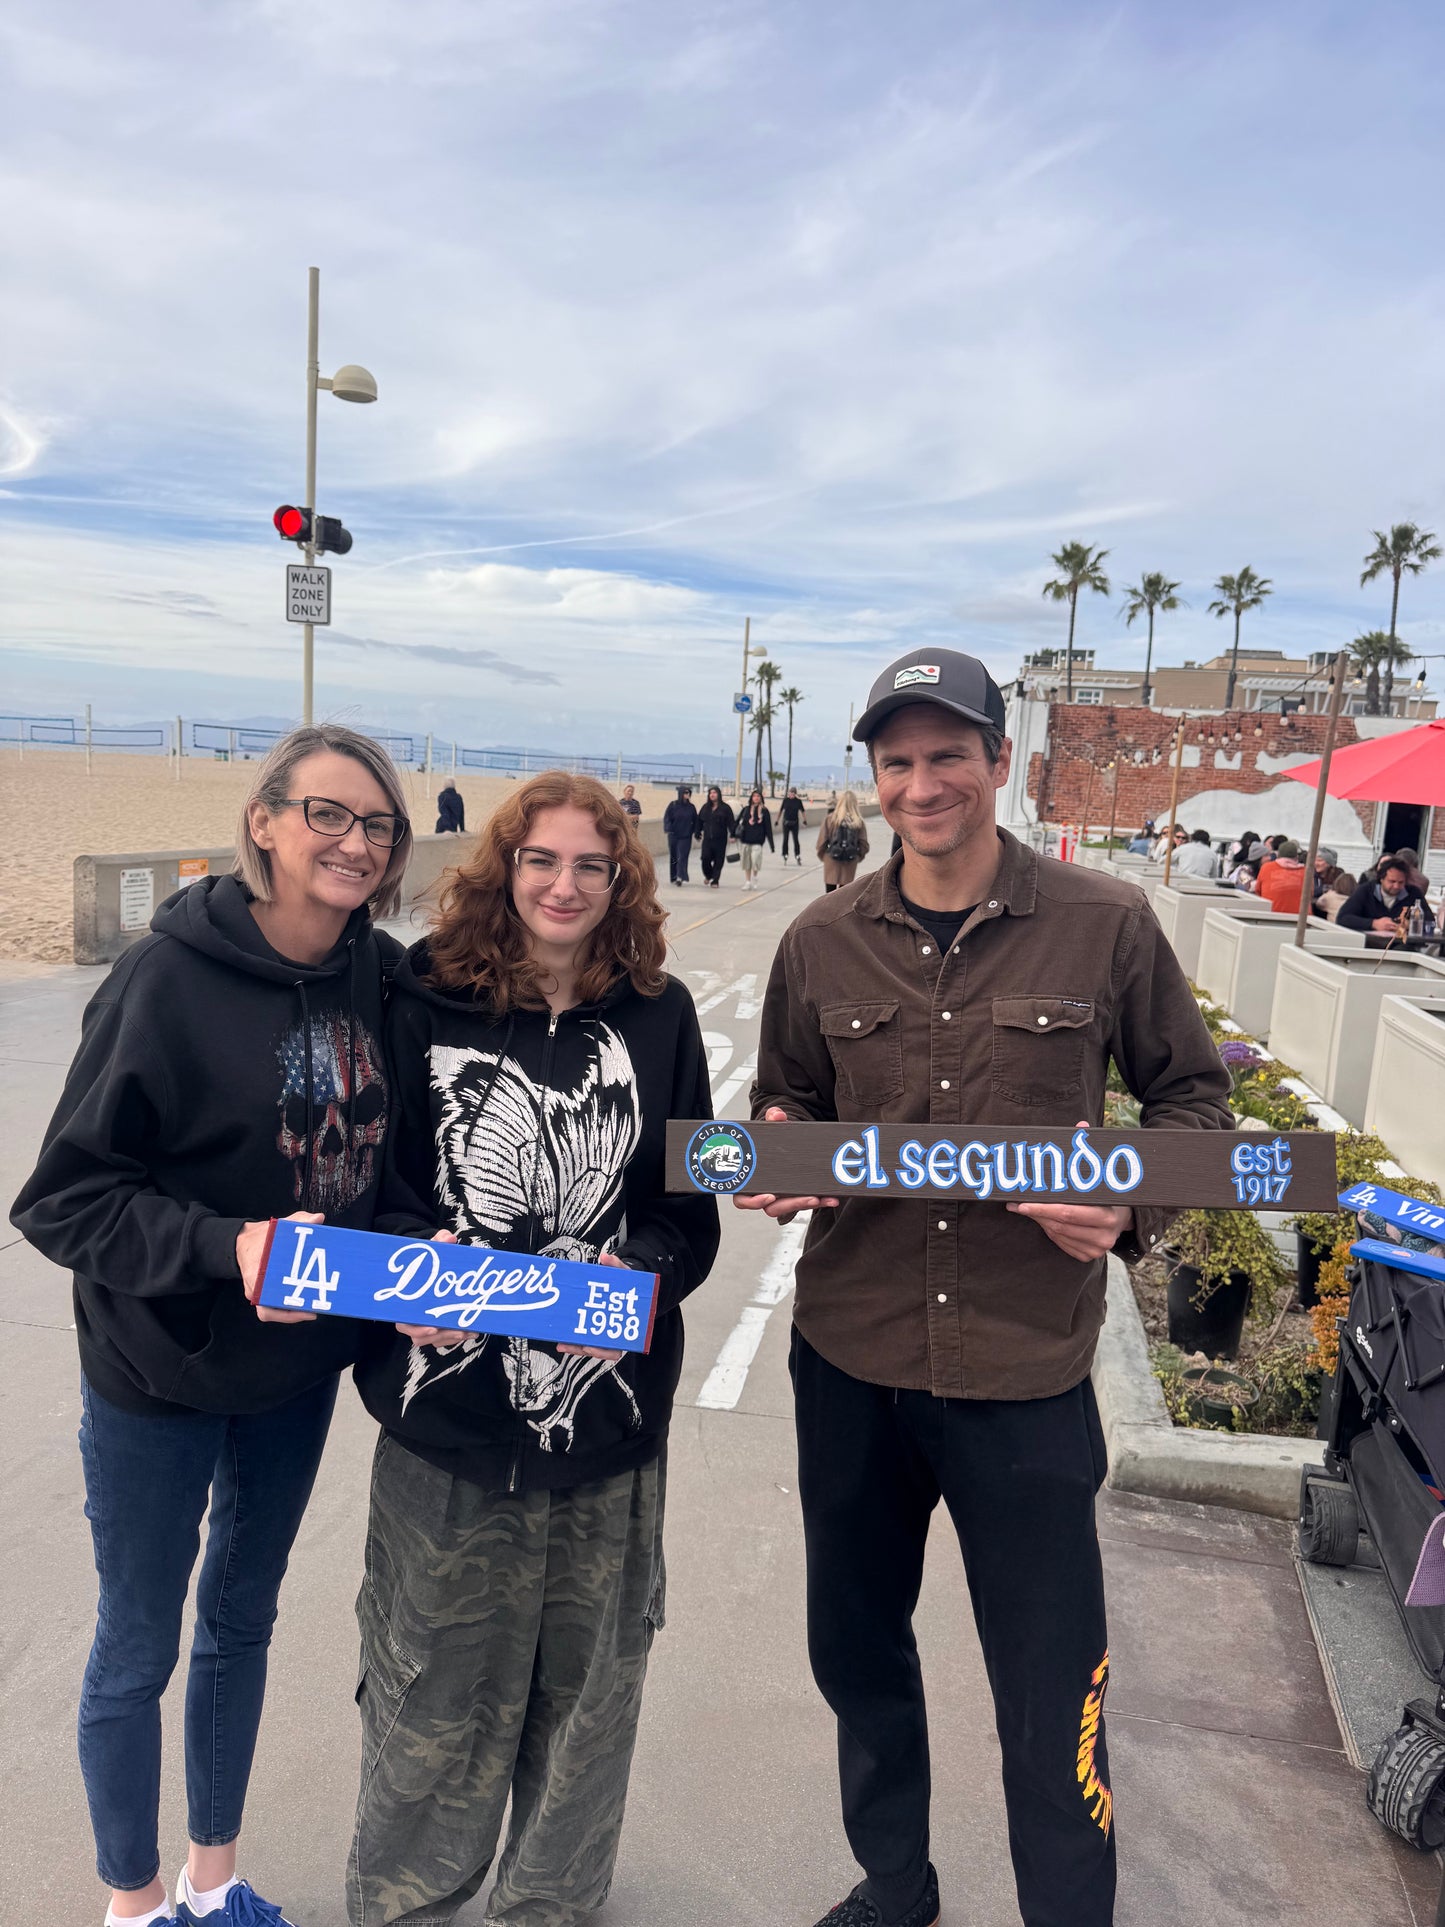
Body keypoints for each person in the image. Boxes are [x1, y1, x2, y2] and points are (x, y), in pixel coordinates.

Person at [739, 646, 1231, 1927]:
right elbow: (780, 1092)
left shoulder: (1104, 923)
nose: (921, 783)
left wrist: (1132, 1207)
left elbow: (1196, 1103)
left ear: (998, 763)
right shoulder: (820, 940)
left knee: (1052, 1682)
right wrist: (788, 1145)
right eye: (897, 762)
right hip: (850, 1362)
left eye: (946, 754)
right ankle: (894, 1885)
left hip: (1024, 1375)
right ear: (876, 780)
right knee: (855, 1652)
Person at [10, 725, 413, 1927]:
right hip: (156, 1370)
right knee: (138, 1641)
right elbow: (65, 1198)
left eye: (376, 825)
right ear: (265, 823)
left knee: (242, 1620)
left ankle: (213, 1880)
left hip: (293, 1371)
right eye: (327, 815)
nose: (353, 842)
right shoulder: (163, 977)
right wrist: (224, 1248)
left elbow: (388, 1167)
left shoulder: (378, 977)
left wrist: (410, 1268)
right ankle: (133, 1904)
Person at [348, 771, 719, 1927]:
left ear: (621, 882)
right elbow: (378, 1189)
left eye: (590, 865)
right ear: (503, 869)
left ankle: (546, 1907)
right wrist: (414, 1278)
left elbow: (689, 1212)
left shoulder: (662, 1016)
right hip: (445, 1432)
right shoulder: (425, 1000)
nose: (564, 885)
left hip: (606, 1433)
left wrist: (639, 1272)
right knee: (429, 1696)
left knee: (587, 1702)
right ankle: (405, 1902)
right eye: (541, 860)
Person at [1338, 854, 1436, 935]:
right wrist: (1373, 923)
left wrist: (1409, 924)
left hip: (1401, 945)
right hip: (1369, 944)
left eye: (1401, 882)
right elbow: (1343, 918)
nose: (1396, 886)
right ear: (1381, 879)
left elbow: (1430, 922)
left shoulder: (1413, 893)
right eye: (1392, 881)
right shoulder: (1365, 890)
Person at [817, 790, 870, 892]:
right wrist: (858, 857)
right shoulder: (858, 821)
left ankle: (829, 908)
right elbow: (864, 844)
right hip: (850, 860)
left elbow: (822, 842)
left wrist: (824, 856)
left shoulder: (830, 819)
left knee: (829, 895)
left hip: (831, 859)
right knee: (843, 896)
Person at [1254, 838, 1310, 916]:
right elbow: (1310, 893)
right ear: (1297, 856)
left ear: (1278, 855)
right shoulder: (1306, 872)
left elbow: (1257, 891)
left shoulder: (1266, 868)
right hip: (1301, 919)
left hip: (1270, 916)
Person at [695, 783, 736, 887]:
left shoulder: (725, 808)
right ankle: (708, 875)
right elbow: (699, 821)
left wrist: (733, 834)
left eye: (714, 792)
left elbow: (731, 822)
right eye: (710, 793)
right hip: (708, 839)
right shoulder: (705, 807)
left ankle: (715, 880)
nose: (712, 795)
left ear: (718, 794)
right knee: (705, 858)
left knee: (719, 861)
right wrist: (697, 832)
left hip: (720, 840)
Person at [737, 787, 774, 891]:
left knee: (755, 860)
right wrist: (733, 835)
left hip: (758, 841)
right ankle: (748, 881)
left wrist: (772, 844)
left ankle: (755, 876)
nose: (756, 798)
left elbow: (768, 828)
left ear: (761, 798)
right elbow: (738, 822)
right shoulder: (746, 810)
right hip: (746, 840)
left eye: (758, 796)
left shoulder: (765, 811)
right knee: (746, 862)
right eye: (754, 796)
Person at [662, 784, 698, 886]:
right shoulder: (673, 805)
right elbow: (667, 818)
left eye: (688, 793)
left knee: (682, 856)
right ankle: (673, 876)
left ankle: (680, 876)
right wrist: (668, 828)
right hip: (673, 835)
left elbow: (695, 820)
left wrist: (696, 832)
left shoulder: (691, 807)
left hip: (686, 836)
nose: (687, 795)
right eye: (685, 793)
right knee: (674, 856)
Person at [779, 786, 808, 863]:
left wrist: (805, 820)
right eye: (790, 793)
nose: (791, 794)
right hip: (786, 823)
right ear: (788, 793)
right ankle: (785, 853)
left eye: (793, 793)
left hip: (794, 823)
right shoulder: (785, 800)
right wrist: (777, 820)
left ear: (795, 794)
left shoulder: (798, 801)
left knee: (796, 840)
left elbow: (802, 811)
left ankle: (797, 854)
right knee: (785, 839)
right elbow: (781, 810)